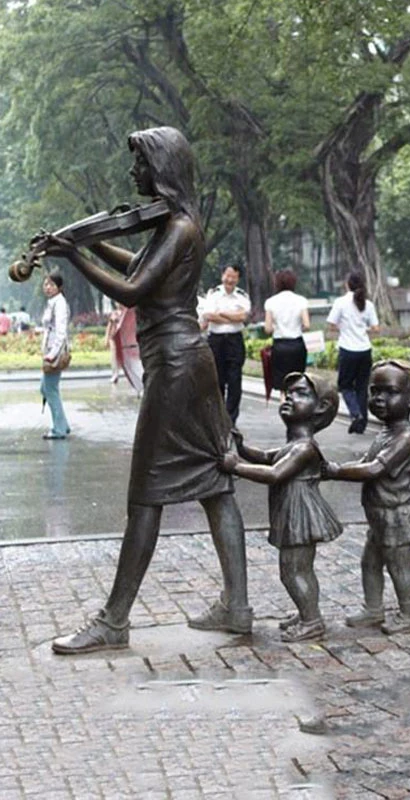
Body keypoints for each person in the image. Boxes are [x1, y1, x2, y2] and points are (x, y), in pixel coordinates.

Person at [42, 126, 251, 654]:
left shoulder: (179, 227)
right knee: (215, 480)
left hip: (178, 366)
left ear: (161, 169)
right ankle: (238, 606)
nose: (132, 174)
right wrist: (83, 243)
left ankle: (114, 621)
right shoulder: (170, 227)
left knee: (146, 494)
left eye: (140, 165)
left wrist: (75, 258)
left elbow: (134, 291)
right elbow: (136, 267)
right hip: (187, 363)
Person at [222, 373, 342, 643]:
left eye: (300, 393)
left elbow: (275, 473)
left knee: (294, 570)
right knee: (295, 569)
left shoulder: (306, 448)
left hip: (301, 513)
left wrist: (237, 467)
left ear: (320, 407)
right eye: (288, 393)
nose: (289, 397)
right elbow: (267, 457)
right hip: (292, 511)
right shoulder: (294, 445)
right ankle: (307, 613)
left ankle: (312, 620)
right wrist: (242, 448)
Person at [324, 360, 410, 635]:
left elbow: (375, 468)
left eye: (389, 392)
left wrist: (335, 470)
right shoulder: (385, 432)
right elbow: (367, 459)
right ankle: (373, 609)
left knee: (399, 568)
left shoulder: (406, 437)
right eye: (374, 391)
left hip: (397, 514)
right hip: (379, 515)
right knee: (370, 563)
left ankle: (409, 615)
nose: (379, 399)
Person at [327, 272, 379, 434]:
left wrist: (344, 328)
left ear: (348, 284)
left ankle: (356, 414)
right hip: (365, 350)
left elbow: (331, 324)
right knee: (362, 387)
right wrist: (362, 329)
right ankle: (361, 423)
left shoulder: (341, 302)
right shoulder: (368, 304)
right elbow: (376, 328)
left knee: (345, 385)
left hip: (348, 350)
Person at [201, 264, 251, 425]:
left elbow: (243, 316)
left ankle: (231, 419)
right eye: (227, 276)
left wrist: (221, 313)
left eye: (233, 277)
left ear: (238, 278)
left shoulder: (242, 295)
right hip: (216, 340)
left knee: (235, 380)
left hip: (235, 341)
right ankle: (218, 417)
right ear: (222, 275)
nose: (229, 280)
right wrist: (231, 316)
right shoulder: (213, 294)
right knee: (217, 380)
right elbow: (208, 315)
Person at [263, 268, 310, 397]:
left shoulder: (271, 302)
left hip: (280, 347)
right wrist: (296, 327)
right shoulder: (301, 301)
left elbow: (268, 329)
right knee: (297, 381)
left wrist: (277, 327)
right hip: (297, 345)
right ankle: (298, 408)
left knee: (282, 385)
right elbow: (307, 325)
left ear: (277, 283)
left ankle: (285, 410)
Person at [40, 273, 71, 440]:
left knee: (49, 389)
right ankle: (63, 425)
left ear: (59, 287)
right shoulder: (52, 303)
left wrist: (52, 354)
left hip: (54, 352)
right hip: (50, 351)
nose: (47, 287)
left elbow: (61, 332)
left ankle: (59, 429)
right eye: (45, 284)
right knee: (46, 388)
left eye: (51, 284)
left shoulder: (59, 304)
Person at [104, 303, 124, 383]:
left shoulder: (125, 314)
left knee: (122, 356)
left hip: (122, 338)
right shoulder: (114, 314)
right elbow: (109, 326)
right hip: (113, 337)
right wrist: (106, 338)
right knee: (114, 356)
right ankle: (115, 374)